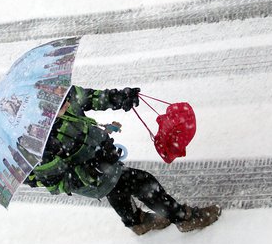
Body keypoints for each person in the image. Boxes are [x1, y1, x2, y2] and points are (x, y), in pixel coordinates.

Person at [24, 85, 221, 235]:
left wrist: (118, 98)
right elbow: (57, 182)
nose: (67, 101)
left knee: (117, 190)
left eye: (65, 95)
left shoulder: (59, 93)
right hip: (91, 176)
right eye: (61, 102)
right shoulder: (40, 143)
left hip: (102, 157)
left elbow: (88, 98)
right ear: (47, 111)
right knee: (143, 182)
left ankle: (137, 222)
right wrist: (94, 168)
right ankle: (184, 218)